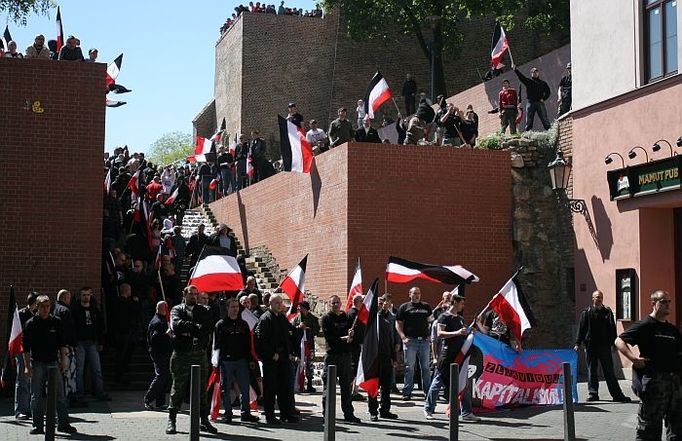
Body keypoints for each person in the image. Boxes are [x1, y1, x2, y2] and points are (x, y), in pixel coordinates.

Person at [615, 290, 681, 440]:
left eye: (669, 302)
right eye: (663, 302)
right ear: (653, 303)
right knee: (649, 429)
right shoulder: (645, 325)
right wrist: (634, 359)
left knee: (677, 428)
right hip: (654, 385)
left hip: (674, 386)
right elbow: (619, 341)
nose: (667, 305)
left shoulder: (672, 330)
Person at [166, 285, 218, 434]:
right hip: (181, 353)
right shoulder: (177, 309)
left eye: (196, 294)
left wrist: (189, 330)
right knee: (178, 387)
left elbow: (207, 328)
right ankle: (172, 419)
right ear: (185, 294)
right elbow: (176, 325)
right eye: (191, 294)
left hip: (199, 353)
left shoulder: (204, 310)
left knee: (202, 388)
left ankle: (204, 420)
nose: (194, 297)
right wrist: (195, 327)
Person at [23, 295, 77, 435]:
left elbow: (62, 343)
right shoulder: (31, 323)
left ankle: (63, 424)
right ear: (37, 307)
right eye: (42, 307)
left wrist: (64, 360)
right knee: (36, 395)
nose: (46, 309)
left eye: (48, 307)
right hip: (37, 363)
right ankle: (38, 426)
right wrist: (27, 366)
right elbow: (26, 348)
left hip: (53, 363)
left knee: (60, 394)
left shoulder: (56, 322)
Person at [574, 290, 630, 402]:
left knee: (609, 371)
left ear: (602, 299)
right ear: (592, 298)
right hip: (590, 346)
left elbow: (612, 329)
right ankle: (593, 394)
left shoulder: (607, 312)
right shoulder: (587, 312)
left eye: (600, 297)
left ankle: (617, 395)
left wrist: (614, 343)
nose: (598, 299)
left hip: (604, 346)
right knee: (592, 370)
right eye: (596, 297)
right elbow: (581, 329)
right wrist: (577, 343)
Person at [254, 294, 299, 424]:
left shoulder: (282, 318)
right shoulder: (265, 319)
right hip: (271, 360)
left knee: (285, 388)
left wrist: (290, 352)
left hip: (283, 358)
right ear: (270, 304)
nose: (279, 305)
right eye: (277, 303)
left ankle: (286, 414)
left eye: (281, 302)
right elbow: (260, 340)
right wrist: (270, 354)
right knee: (270, 389)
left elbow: (289, 335)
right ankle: (270, 416)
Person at [214, 298, 260, 423]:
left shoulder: (244, 324)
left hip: (241, 361)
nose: (235, 309)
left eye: (236, 307)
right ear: (227, 309)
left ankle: (246, 413)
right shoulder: (220, 325)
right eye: (232, 307)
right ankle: (228, 414)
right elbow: (217, 345)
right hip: (226, 362)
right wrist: (218, 362)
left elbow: (247, 344)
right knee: (226, 388)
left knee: (244, 388)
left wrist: (250, 359)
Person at [321, 294, 361, 422]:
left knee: (346, 387)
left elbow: (350, 333)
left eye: (338, 302)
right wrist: (342, 339)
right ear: (329, 304)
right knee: (329, 388)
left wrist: (351, 334)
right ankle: (327, 415)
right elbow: (329, 338)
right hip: (332, 356)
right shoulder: (326, 319)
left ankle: (348, 414)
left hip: (345, 356)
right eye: (333, 303)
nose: (336, 305)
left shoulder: (345, 317)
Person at [71, 287, 110, 402]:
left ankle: (100, 392)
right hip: (80, 342)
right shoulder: (76, 310)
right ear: (80, 296)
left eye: (88, 295)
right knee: (79, 370)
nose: (86, 297)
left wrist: (101, 342)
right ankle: (80, 393)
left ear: (91, 295)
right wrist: (74, 343)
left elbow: (100, 327)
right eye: (83, 295)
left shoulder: (95, 310)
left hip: (93, 342)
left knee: (96, 369)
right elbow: (73, 328)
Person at [396, 287, 432, 401]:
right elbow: (398, 323)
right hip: (411, 341)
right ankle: (407, 392)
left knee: (426, 368)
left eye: (418, 293)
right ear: (409, 294)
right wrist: (403, 337)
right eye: (414, 293)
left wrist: (431, 335)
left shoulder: (426, 307)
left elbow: (432, 322)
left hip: (425, 342)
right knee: (409, 368)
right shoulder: (404, 307)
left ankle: (428, 393)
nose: (417, 295)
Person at [368, 294, 399, 421]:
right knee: (373, 386)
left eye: (382, 303)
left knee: (386, 386)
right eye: (378, 303)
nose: (381, 305)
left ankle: (385, 410)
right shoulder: (369, 320)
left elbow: (391, 341)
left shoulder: (387, 321)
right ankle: (373, 411)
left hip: (386, 357)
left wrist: (394, 358)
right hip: (373, 357)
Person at [52, 289, 81, 407]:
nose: (69, 300)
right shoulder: (66, 311)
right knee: (69, 373)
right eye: (68, 298)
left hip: (56, 348)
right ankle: (69, 398)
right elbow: (69, 331)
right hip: (67, 348)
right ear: (65, 298)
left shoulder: (53, 310)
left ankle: (59, 398)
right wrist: (73, 345)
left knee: (59, 374)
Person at [145, 301, 172, 410]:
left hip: (163, 352)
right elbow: (155, 339)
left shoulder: (161, 320)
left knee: (164, 376)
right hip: (158, 352)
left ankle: (160, 402)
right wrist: (167, 335)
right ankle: (148, 399)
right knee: (162, 375)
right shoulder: (157, 322)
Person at [15, 292, 38, 420]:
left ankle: (30, 408)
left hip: (34, 351)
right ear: (33, 303)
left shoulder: (38, 315)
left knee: (33, 381)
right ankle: (21, 410)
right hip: (23, 351)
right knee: (22, 380)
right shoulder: (21, 314)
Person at [291, 300, 320, 392]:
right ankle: (298, 383)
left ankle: (310, 384)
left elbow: (316, 331)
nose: (299, 309)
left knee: (309, 364)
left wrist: (306, 329)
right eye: (299, 307)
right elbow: (292, 330)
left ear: (306, 308)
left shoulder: (313, 319)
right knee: (298, 364)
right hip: (299, 345)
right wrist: (298, 328)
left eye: (301, 307)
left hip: (309, 344)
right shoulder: (296, 318)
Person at [513, 64, 551, 131]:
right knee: (529, 120)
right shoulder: (529, 82)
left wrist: (544, 99)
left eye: (536, 72)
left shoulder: (543, 83)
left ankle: (549, 131)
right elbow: (522, 77)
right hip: (530, 103)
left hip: (540, 102)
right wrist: (515, 70)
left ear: (538, 73)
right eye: (533, 72)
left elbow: (548, 92)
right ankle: (528, 133)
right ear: (531, 74)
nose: (535, 73)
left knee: (544, 118)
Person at [347, 294, 366, 401]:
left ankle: (355, 390)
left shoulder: (358, 313)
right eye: (362, 301)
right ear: (357, 302)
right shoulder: (353, 314)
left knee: (357, 367)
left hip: (359, 344)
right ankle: (352, 391)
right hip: (355, 345)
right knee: (354, 367)